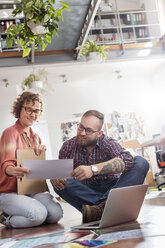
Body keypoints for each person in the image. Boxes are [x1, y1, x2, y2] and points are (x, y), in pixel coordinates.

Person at [51, 110, 149, 223]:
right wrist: (56, 176)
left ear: (99, 133)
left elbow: (127, 159)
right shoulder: (67, 147)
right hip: (85, 192)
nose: (82, 133)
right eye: (80, 127)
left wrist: (93, 169)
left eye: (88, 130)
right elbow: (61, 174)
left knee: (141, 162)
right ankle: (110, 208)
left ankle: (98, 210)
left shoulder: (107, 143)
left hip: (112, 189)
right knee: (60, 184)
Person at [0, 92, 63, 228]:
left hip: (30, 190)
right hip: (9, 193)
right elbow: (6, 164)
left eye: (36, 111)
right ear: (19, 109)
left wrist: (44, 164)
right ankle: (6, 218)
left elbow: (36, 170)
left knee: (56, 214)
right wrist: (13, 170)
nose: (33, 114)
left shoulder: (36, 138)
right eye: (29, 109)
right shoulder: (10, 133)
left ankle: (27, 211)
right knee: (38, 215)